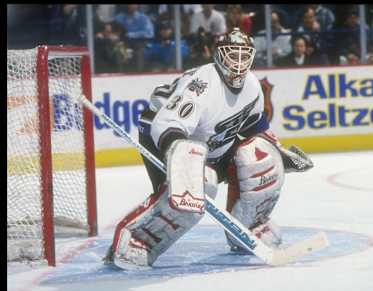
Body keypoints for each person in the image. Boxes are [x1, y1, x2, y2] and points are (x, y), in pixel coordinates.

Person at [103, 28, 313, 270]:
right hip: (165, 138)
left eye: (244, 56)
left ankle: (247, 228)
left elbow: (256, 128)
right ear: (219, 55)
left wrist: (279, 152)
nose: (239, 62)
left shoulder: (252, 86)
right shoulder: (204, 84)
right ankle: (138, 240)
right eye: (232, 55)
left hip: (213, 145)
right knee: (197, 186)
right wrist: (182, 160)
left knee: (262, 158)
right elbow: (166, 124)